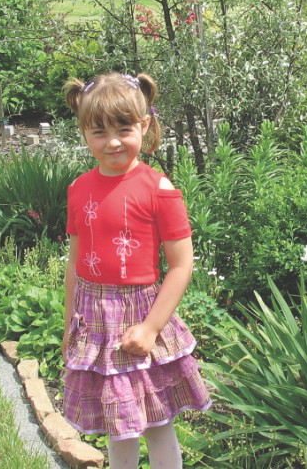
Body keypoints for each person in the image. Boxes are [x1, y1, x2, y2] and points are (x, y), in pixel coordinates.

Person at [61, 72, 210, 469]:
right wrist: (67, 328)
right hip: (94, 320)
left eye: (124, 129)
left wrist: (151, 328)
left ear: (144, 125)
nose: (112, 142)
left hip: (140, 315)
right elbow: (76, 266)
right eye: (99, 132)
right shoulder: (78, 189)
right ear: (83, 132)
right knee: (117, 425)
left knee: (157, 421)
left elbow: (181, 265)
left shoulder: (157, 188)